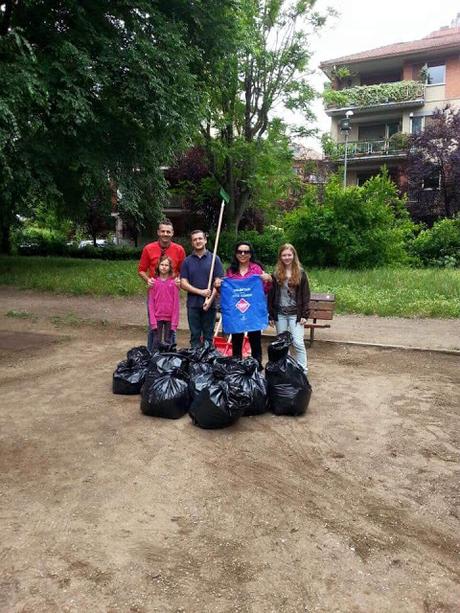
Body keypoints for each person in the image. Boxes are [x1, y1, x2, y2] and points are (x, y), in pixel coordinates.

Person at [215, 242, 271, 366]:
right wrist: (218, 285)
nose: (243, 254)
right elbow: (226, 293)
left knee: (255, 340)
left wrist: (268, 280)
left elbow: (264, 290)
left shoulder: (257, 269)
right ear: (236, 254)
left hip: (252, 311)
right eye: (240, 251)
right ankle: (237, 367)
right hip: (236, 312)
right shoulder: (230, 271)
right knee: (236, 340)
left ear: (251, 254)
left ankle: (256, 367)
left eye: (246, 251)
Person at [138, 219, 185, 351]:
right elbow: (141, 269)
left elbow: (184, 270)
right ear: (158, 232)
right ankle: (152, 353)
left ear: (172, 233)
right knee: (153, 326)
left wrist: (179, 279)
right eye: (163, 231)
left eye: (168, 231)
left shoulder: (179, 250)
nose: (165, 234)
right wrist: (148, 279)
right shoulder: (148, 248)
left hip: (171, 292)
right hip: (156, 292)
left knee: (172, 328)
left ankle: (171, 353)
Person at [268, 243, 310, 373]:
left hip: (295, 314)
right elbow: (271, 295)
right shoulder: (275, 274)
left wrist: (304, 314)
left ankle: (302, 369)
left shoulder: (301, 273)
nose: (287, 257)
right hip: (280, 313)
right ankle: (285, 369)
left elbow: (305, 295)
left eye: (289, 255)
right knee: (282, 343)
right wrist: (271, 315)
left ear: (294, 255)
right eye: (284, 255)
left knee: (298, 342)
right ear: (280, 257)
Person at [180, 230, 223, 347]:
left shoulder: (215, 259)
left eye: (200, 238)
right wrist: (201, 292)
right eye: (195, 239)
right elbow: (183, 283)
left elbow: (218, 282)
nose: (198, 241)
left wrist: (209, 300)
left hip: (210, 304)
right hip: (193, 304)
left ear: (205, 240)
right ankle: (196, 362)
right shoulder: (187, 261)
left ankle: (206, 362)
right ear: (192, 243)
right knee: (195, 336)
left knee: (208, 336)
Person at [147, 255, 180, 351]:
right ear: (158, 266)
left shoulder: (174, 284)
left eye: (166, 265)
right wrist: (152, 321)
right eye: (162, 264)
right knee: (156, 342)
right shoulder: (153, 283)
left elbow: (176, 305)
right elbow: (151, 304)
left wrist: (174, 322)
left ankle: (167, 362)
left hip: (170, 318)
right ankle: (155, 361)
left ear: (170, 267)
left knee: (168, 342)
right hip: (157, 317)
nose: (164, 267)